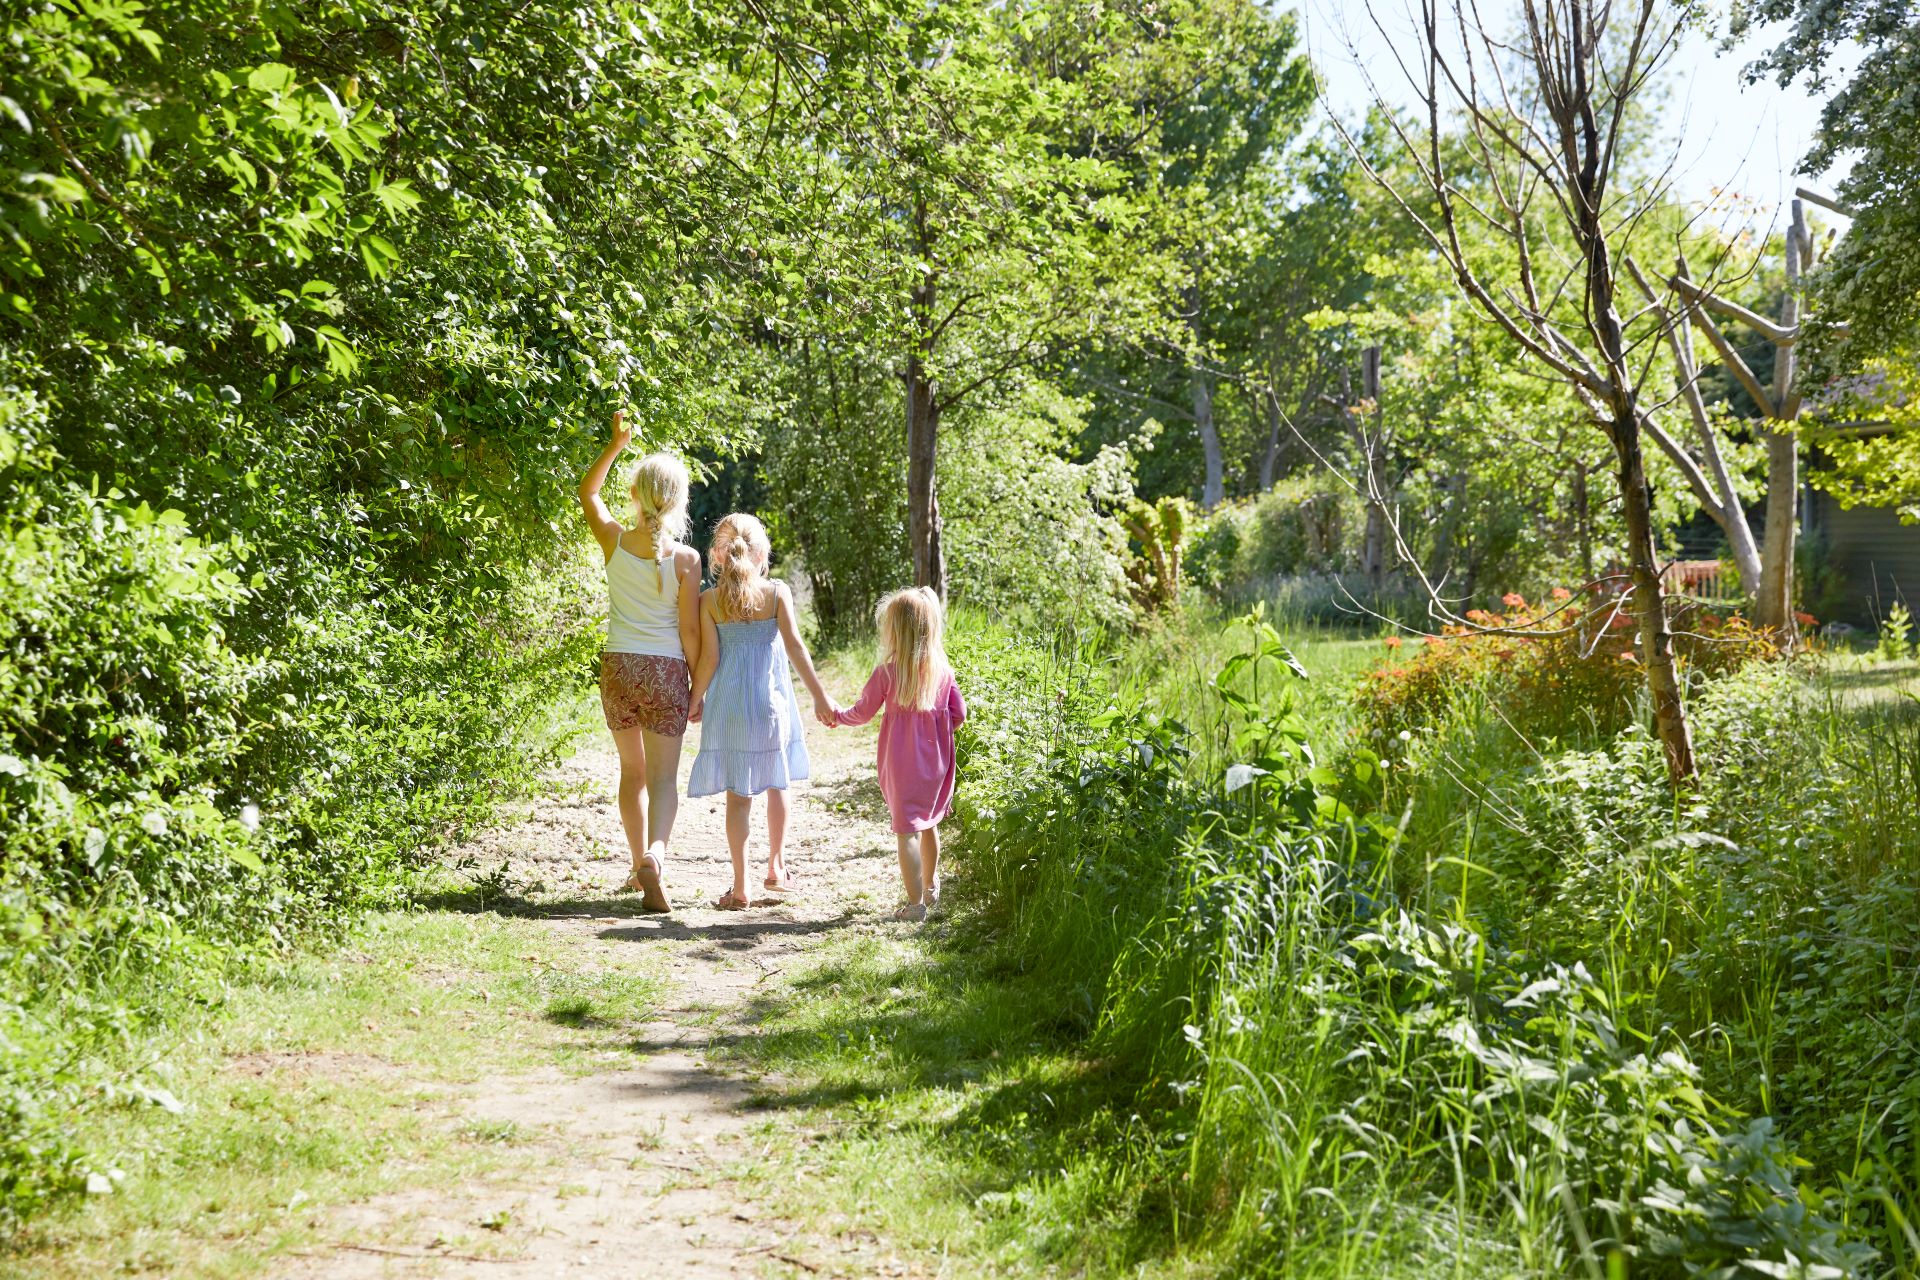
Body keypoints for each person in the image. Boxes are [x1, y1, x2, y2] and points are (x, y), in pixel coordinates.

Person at [576, 410, 702, 913]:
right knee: (663, 779)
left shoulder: (612, 540)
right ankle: (656, 855)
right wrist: (698, 688)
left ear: (635, 494)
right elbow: (690, 631)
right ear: (678, 502)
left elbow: (588, 493)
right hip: (665, 670)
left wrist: (615, 444)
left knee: (631, 771)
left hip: (618, 668)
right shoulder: (687, 560)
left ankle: (635, 865)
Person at [686, 514, 836, 909]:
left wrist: (694, 699)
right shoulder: (776, 594)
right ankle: (776, 866)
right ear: (762, 552)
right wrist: (820, 696)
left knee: (738, 798)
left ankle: (740, 886)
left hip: (729, 710)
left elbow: (708, 659)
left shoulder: (709, 601)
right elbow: (797, 648)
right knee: (776, 783)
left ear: (717, 556)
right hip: (770, 706)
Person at [830, 587, 966, 922]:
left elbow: (861, 713)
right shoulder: (943, 674)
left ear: (895, 632)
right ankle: (931, 886)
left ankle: (915, 903)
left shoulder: (888, 673)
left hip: (901, 766)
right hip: (936, 765)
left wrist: (835, 715)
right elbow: (959, 715)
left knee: (907, 831)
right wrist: (936, 729)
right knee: (930, 823)